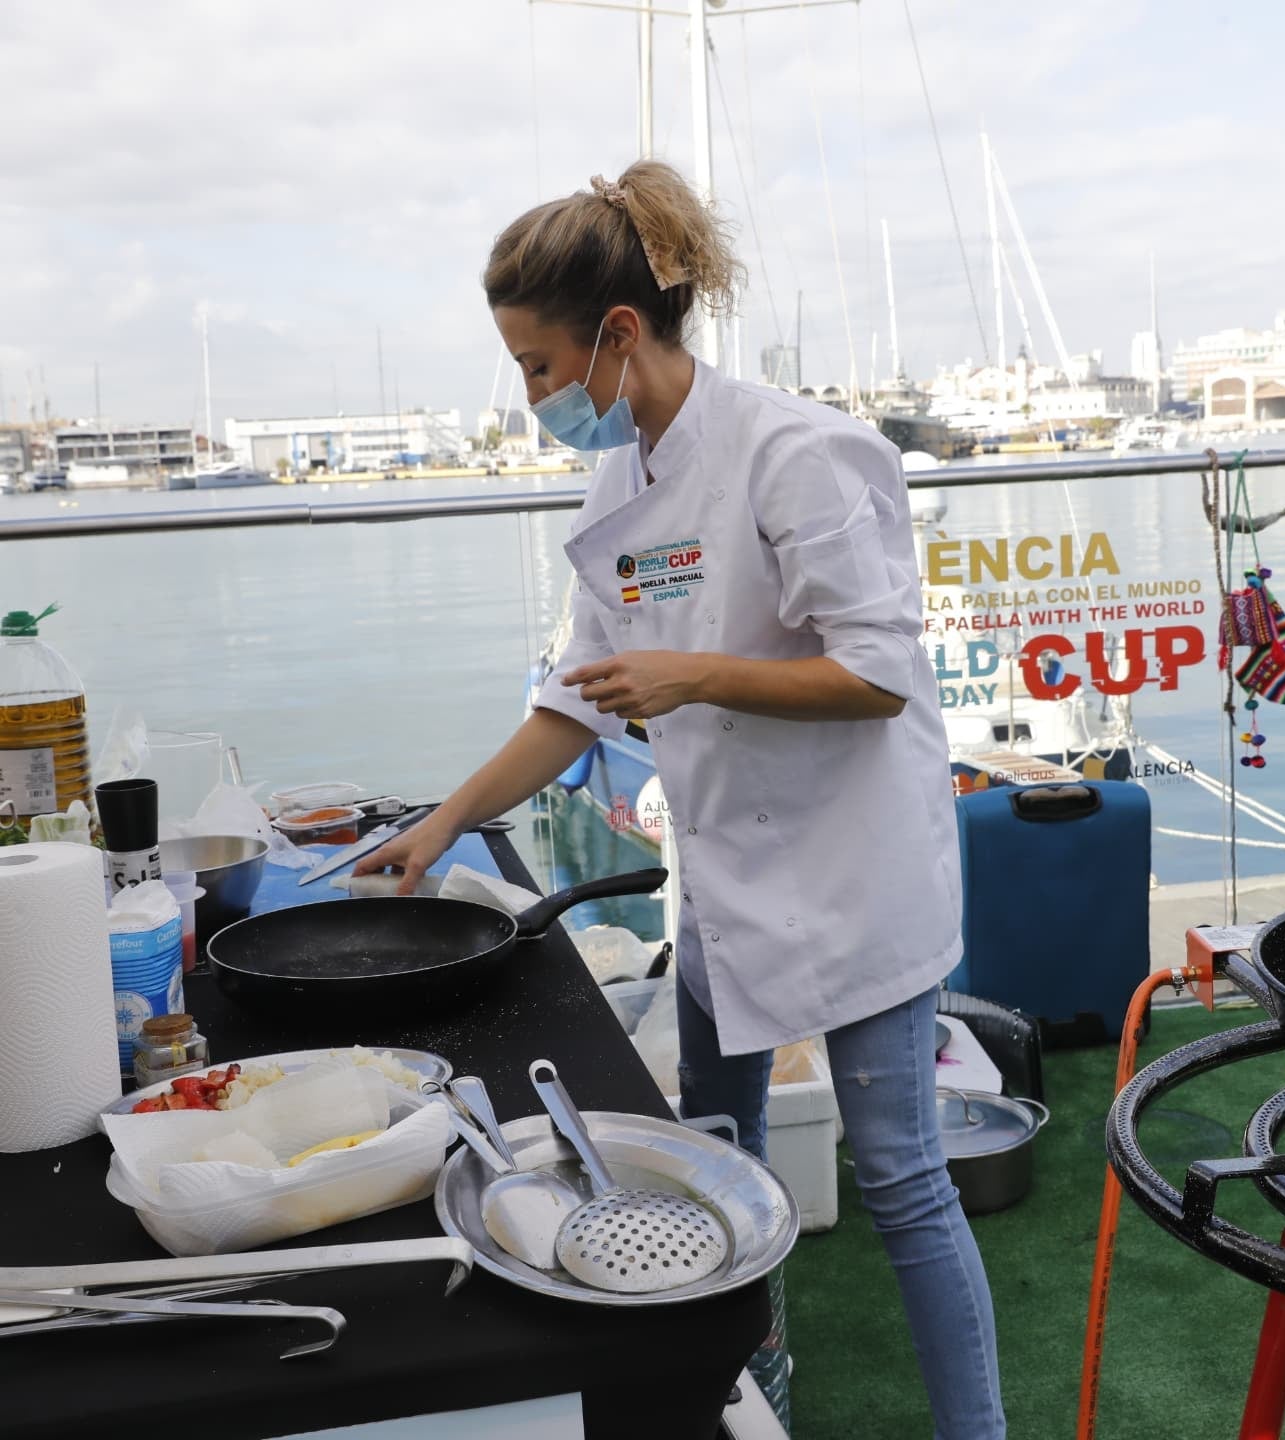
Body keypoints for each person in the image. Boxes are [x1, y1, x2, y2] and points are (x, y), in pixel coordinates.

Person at [356, 159, 1006, 1439]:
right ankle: (742, 1378)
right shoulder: (621, 487)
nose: (538, 399)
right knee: (720, 1146)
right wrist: (439, 823)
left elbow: (877, 673)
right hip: (725, 878)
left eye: (541, 368)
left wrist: (689, 674)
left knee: (903, 1180)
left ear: (617, 333)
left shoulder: (800, 453)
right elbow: (579, 701)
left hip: (850, 873)